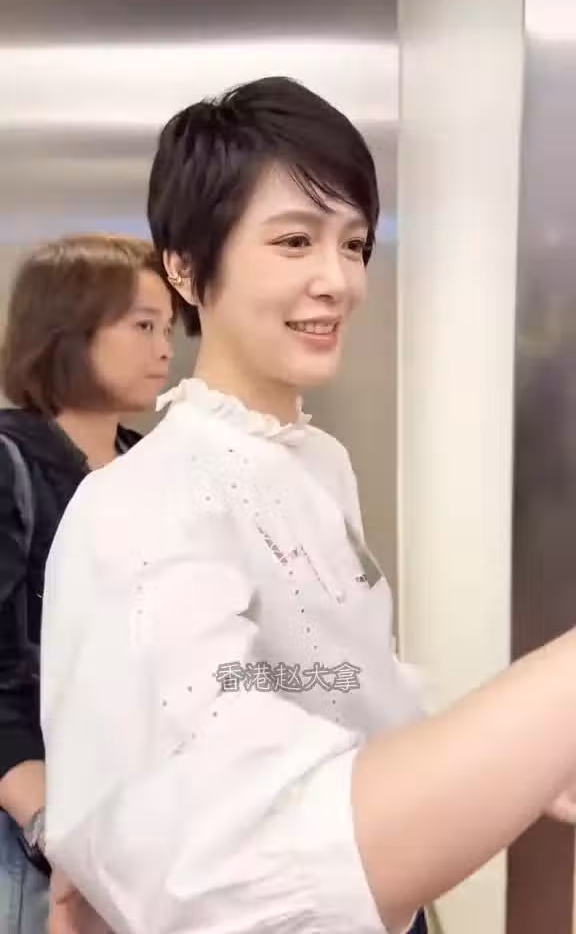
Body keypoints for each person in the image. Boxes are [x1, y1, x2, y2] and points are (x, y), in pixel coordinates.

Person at [39, 78, 576, 934]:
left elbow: (351, 678)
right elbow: (234, 862)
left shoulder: (316, 462)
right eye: (294, 241)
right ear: (185, 266)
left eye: (353, 244)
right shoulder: (139, 507)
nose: (338, 280)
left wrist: (519, 759)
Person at [0, 234, 174, 934]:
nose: (164, 349)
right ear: (68, 332)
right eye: (143, 326)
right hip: (39, 838)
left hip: (151, 830)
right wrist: (52, 826)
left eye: (168, 328)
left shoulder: (159, 467)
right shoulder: (11, 464)